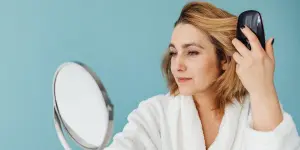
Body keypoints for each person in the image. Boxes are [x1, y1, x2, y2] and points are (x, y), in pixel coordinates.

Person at [104, 2, 300, 150]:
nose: (177, 65)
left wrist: (262, 89)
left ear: (224, 59)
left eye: (192, 52)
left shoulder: (257, 112)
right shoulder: (154, 115)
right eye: (174, 53)